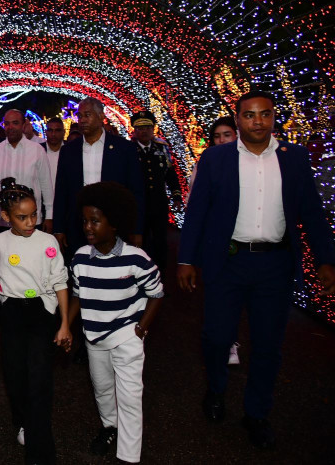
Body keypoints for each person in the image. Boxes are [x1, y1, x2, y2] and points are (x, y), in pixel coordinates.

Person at [177, 91, 335, 449]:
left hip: (275, 266)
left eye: (265, 114)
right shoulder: (216, 158)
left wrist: (327, 259)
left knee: (268, 344)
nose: (258, 122)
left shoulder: (294, 158)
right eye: (250, 115)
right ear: (238, 119)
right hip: (228, 262)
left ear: (274, 117)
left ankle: (257, 412)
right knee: (217, 337)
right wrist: (186, 260)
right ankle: (216, 389)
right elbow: (198, 212)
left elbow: (311, 212)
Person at [0, 178, 69, 465]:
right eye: (22, 217)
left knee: (39, 378)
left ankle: (40, 450)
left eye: (34, 215)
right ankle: (24, 420)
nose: (30, 222)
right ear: (5, 217)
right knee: (15, 374)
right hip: (11, 312)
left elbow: (60, 282)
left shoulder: (47, 242)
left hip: (41, 311)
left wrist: (63, 323)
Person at [67, 182, 163, 463]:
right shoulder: (80, 258)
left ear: (115, 223)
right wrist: (65, 326)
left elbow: (157, 294)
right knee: (103, 389)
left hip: (126, 337)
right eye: (84, 220)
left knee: (130, 397)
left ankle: (129, 456)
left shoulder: (137, 259)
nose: (88, 227)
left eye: (95, 221)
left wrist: (141, 329)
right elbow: (76, 295)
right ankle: (109, 427)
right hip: (93, 337)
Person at [53, 96, 145, 258]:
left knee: (114, 272)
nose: (82, 120)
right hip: (78, 225)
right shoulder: (69, 151)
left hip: (113, 224)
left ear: (101, 116)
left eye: (87, 115)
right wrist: (59, 229)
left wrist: (136, 229)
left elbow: (136, 191)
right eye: (80, 116)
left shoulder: (124, 149)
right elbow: (62, 192)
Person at [188, 115, 241, 365]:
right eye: (217, 136)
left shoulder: (247, 162)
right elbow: (195, 204)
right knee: (217, 298)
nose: (221, 140)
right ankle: (218, 344)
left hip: (243, 243)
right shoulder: (206, 162)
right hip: (215, 242)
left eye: (226, 135)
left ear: (236, 135)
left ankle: (231, 341)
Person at [0, 109, 53, 239]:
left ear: (23, 125)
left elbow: (46, 185)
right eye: (7, 123)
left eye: (15, 123)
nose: (10, 127)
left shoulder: (37, 151)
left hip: (30, 221)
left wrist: (49, 216)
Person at [131, 110, 183, 272]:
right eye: (140, 128)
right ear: (134, 130)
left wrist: (176, 194)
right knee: (140, 242)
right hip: (138, 206)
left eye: (147, 127)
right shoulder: (129, 149)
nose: (144, 131)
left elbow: (170, 173)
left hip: (159, 203)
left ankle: (160, 276)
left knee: (161, 242)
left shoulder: (161, 148)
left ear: (153, 128)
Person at [42, 116, 65, 190]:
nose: (53, 134)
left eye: (57, 130)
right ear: (46, 132)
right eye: (50, 130)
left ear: (63, 132)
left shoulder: (70, 151)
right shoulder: (39, 150)